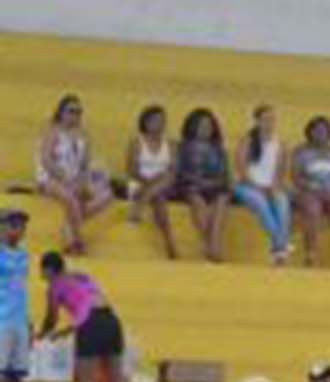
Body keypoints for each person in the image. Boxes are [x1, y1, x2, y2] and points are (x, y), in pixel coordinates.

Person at [37, 253, 132, 382]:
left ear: (48, 270)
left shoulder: (55, 285)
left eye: (43, 271)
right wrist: (66, 331)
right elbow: (87, 305)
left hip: (90, 325)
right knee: (117, 379)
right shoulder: (82, 276)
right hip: (111, 321)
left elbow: (52, 318)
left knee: (87, 380)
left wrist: (41, 335)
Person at [35, 95, 112, 257]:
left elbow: (85, 165)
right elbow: (46, 160)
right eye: (71, 111)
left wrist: (83, 182)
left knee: (106, 195)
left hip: (75, 179)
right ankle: (77, 240)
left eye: (78, 112)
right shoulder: (53, 132)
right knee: (69, 198)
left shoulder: (83, 136)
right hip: (51, 178)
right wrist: (66, 179)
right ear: (61, 113)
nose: (74, 116)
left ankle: (68, 227)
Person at [231, 106, 293, 266]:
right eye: (265, 120)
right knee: (260, 202)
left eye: (272, 120)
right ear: (257, 121)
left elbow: (281, 173)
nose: (269, 123)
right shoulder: (247, 141)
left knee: (282, 203)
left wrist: (273, 187)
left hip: (270, 186)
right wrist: (257, 187)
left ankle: (278, 249)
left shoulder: (281, 144)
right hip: (247, 185)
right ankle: (281, 244)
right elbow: (241, 169)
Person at [288, 115, 330, 268]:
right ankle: (311, 254)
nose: (321, 134)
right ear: (309, 132)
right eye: (317, 131)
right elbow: (295, 178)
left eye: (324, 131)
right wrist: (311, 188)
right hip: (308, 191)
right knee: (313, 210)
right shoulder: (301, 152)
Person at [173, 107, 233, 264]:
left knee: (222, 199)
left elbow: (224, 174)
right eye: (201, 125)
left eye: (209, 125)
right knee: (197, 200)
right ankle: (212, 246)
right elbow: (181, 172)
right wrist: (199, 183)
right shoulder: (183, 147)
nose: (205, 129)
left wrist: (215, 183)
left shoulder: (218, 149)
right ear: (193, 126)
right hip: (191, 186)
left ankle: (213, 243)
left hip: (214, 186)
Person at [125, 104, 180, 261]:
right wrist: (148, 181)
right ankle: (169, 242)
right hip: (141, 182)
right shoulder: (136, 143)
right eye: (155, 120)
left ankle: (140, 205)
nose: (160, 124)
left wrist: (155, 181)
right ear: (146, 122)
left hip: (164, 183)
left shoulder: (171, 144)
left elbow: (173, 170)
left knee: (165, 179)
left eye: (162, 120)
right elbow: (131, 169)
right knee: (159, 198)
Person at [0, 208, 29, 382]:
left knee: (15, 380)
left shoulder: (24, 255)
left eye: (20, 225)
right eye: (12, 224)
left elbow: (20, 289)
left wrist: (27, 320)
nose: (17, 230)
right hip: (1, 321)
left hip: (18, 322)